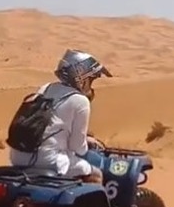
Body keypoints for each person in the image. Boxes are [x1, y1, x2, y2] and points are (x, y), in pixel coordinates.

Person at [9, 49, 112, 183]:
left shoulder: (46, 88)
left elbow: (49, 125)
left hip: (18, 158)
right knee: (96, 174)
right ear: (81, 76)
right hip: (49, 161)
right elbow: (78, 148)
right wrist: (86, 143)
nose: (90, 85)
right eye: (90, 79)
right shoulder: (80, 100)